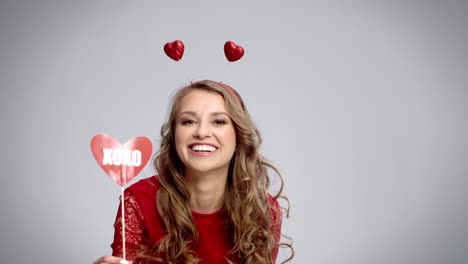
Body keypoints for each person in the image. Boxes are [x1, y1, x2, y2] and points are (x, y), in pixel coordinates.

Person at [93, 80, 293, 264]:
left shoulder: (262, 209)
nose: (202, 132)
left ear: (239, 135)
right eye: (189, 121)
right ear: (174, 135)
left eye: (219, 121)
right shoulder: (137, 201)